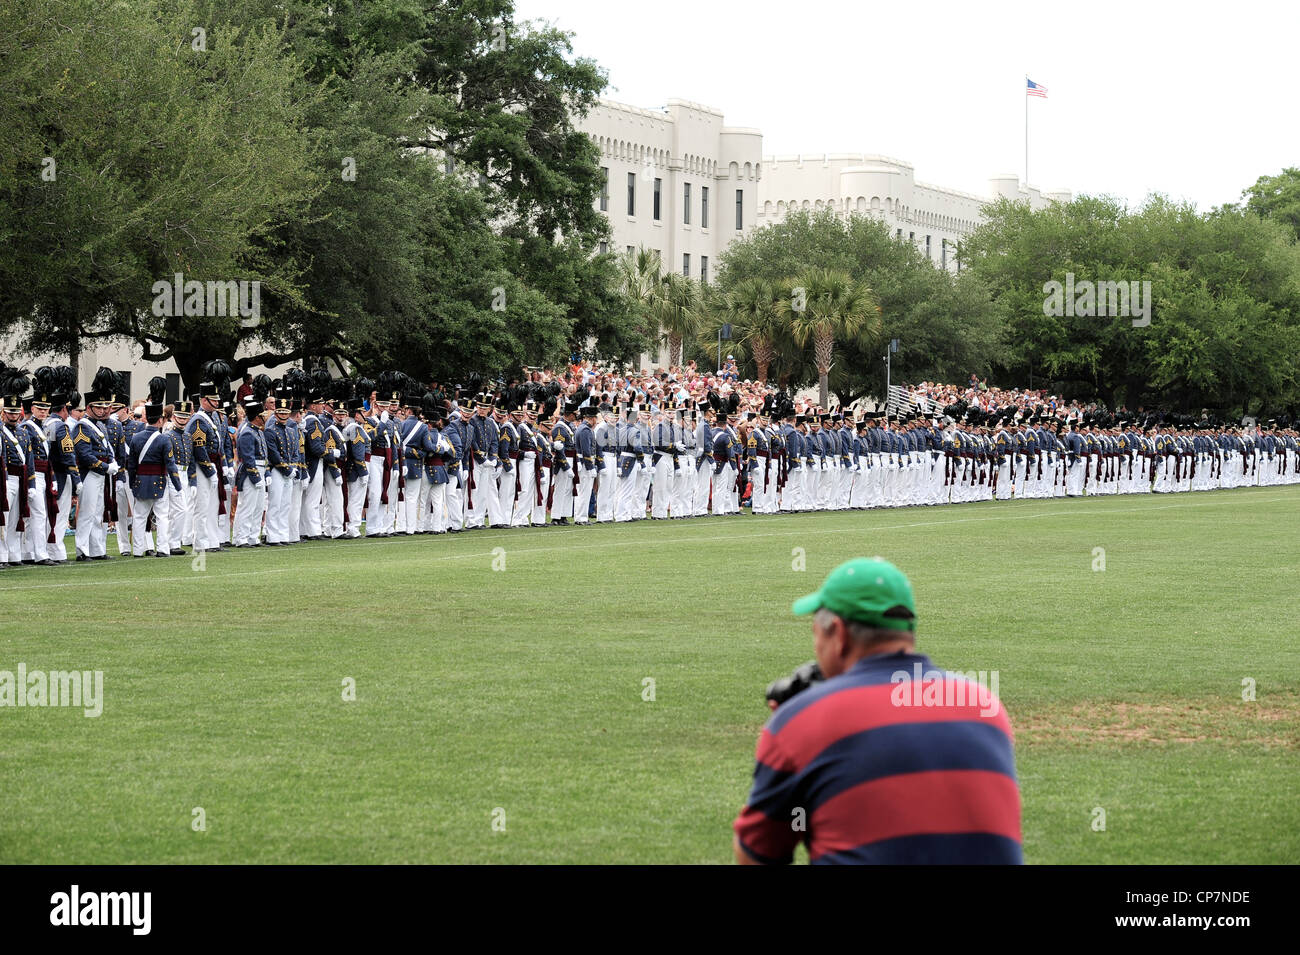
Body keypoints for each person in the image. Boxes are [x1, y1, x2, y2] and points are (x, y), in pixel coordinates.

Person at [733, 557, 1021, 865]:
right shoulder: (984, 706)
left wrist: (788, 734)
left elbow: (757, 856)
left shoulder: (799, 721)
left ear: (839, 634)